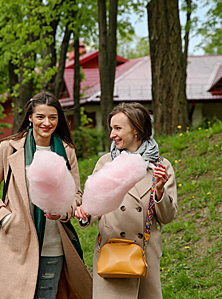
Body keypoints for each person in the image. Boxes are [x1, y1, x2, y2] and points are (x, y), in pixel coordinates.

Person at [0, 92, 92, 299]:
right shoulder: (9, 147)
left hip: (53, 242)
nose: (46, 123)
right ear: (30, 117)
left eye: (52, 117)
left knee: (47, 295)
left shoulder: (66, 151)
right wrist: (5, 217)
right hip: (16, 241)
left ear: (59, 119)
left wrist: (63, 212)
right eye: (40, 116)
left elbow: (76, 194)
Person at [75, 102, 178, 299]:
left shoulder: (160, 166)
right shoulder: (106, 162)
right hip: (112, 254)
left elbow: (167, 217)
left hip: (145, 255)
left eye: (118, 128)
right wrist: (85, 213)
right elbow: (95, 205)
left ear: (137, 130)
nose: (112, 134)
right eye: (111, 128)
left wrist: (159, 190)